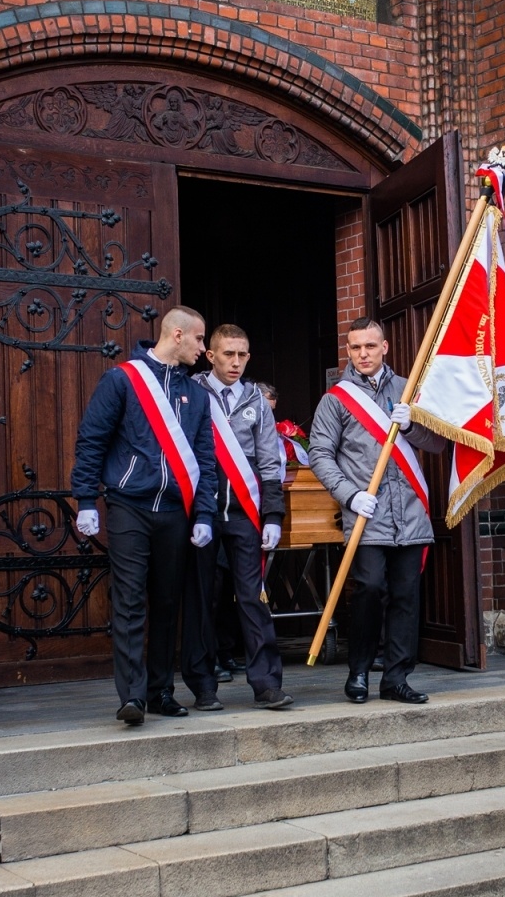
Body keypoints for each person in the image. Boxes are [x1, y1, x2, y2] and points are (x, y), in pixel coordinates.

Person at [71, 306, 217, 726]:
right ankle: (132, 697)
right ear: (176, 335)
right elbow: (91, 441)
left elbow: (204, 460)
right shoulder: (123, 380)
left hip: (176, 512)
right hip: (129, 507)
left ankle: (160, 691)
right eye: (199, 339)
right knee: (131, 601)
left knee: (168, 603)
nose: (203, 348)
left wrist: (204, 513)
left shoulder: (197, 395)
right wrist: (85, 500)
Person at [308, 317, 446, 704]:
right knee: (368, 589)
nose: (362, 354)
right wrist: (348, 495)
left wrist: (411, 429)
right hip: (366, 514)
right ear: (348, 350)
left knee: (406, 595)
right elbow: (319, 454)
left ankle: (397, 678)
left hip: (410, 513)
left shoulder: (408, 388)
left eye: (370, 346)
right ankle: (359, 672)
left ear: (384, 347)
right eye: (355, 347)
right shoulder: (336, 398)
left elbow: (436, 443)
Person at [185, 329, 294, 710]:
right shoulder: (190, 390)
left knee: (253, 599)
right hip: (199, 512)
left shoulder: (256, 401)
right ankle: (203, 686)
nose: (235, 362)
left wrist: (273, 515)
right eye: (228, 354)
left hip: (245, 513)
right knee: (202, 598)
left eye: (243, 355)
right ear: (210, 355)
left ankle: (266, 684)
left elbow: (269, 462)